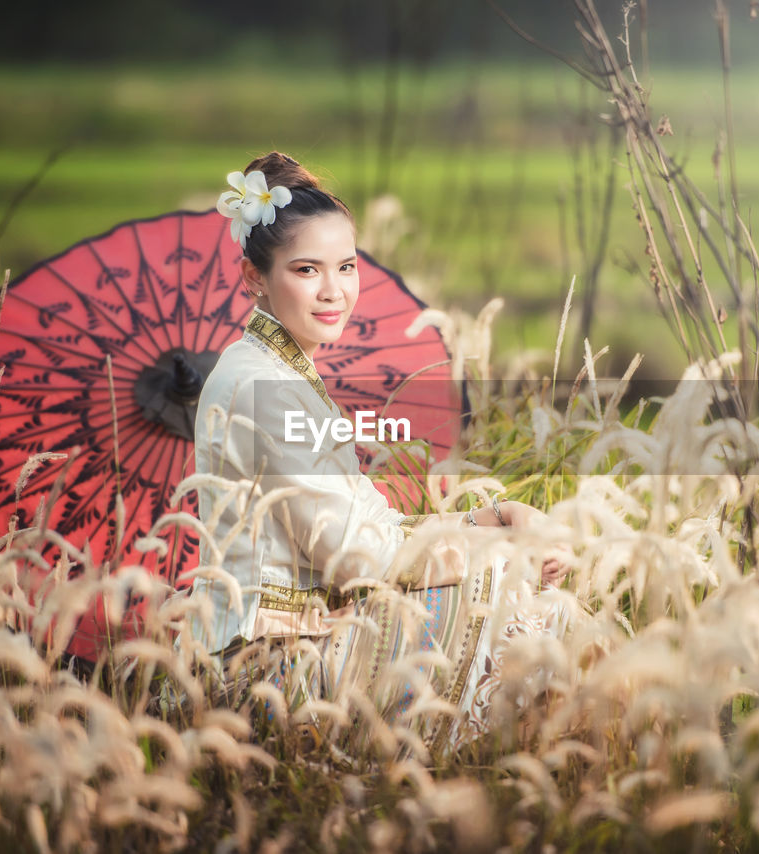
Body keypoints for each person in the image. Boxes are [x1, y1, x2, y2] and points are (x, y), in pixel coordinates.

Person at [183, 152, 570, 753]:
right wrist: (495, 550)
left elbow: (376, 523)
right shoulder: (265, 387)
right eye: (307, 270)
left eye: (346, 266)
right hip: (270, 672)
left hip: (307, 639)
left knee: (524, 604)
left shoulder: (281, 373)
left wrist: (489, 520)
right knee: (531, 617)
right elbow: (357, 557)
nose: (334, 291)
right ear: (253, 276)